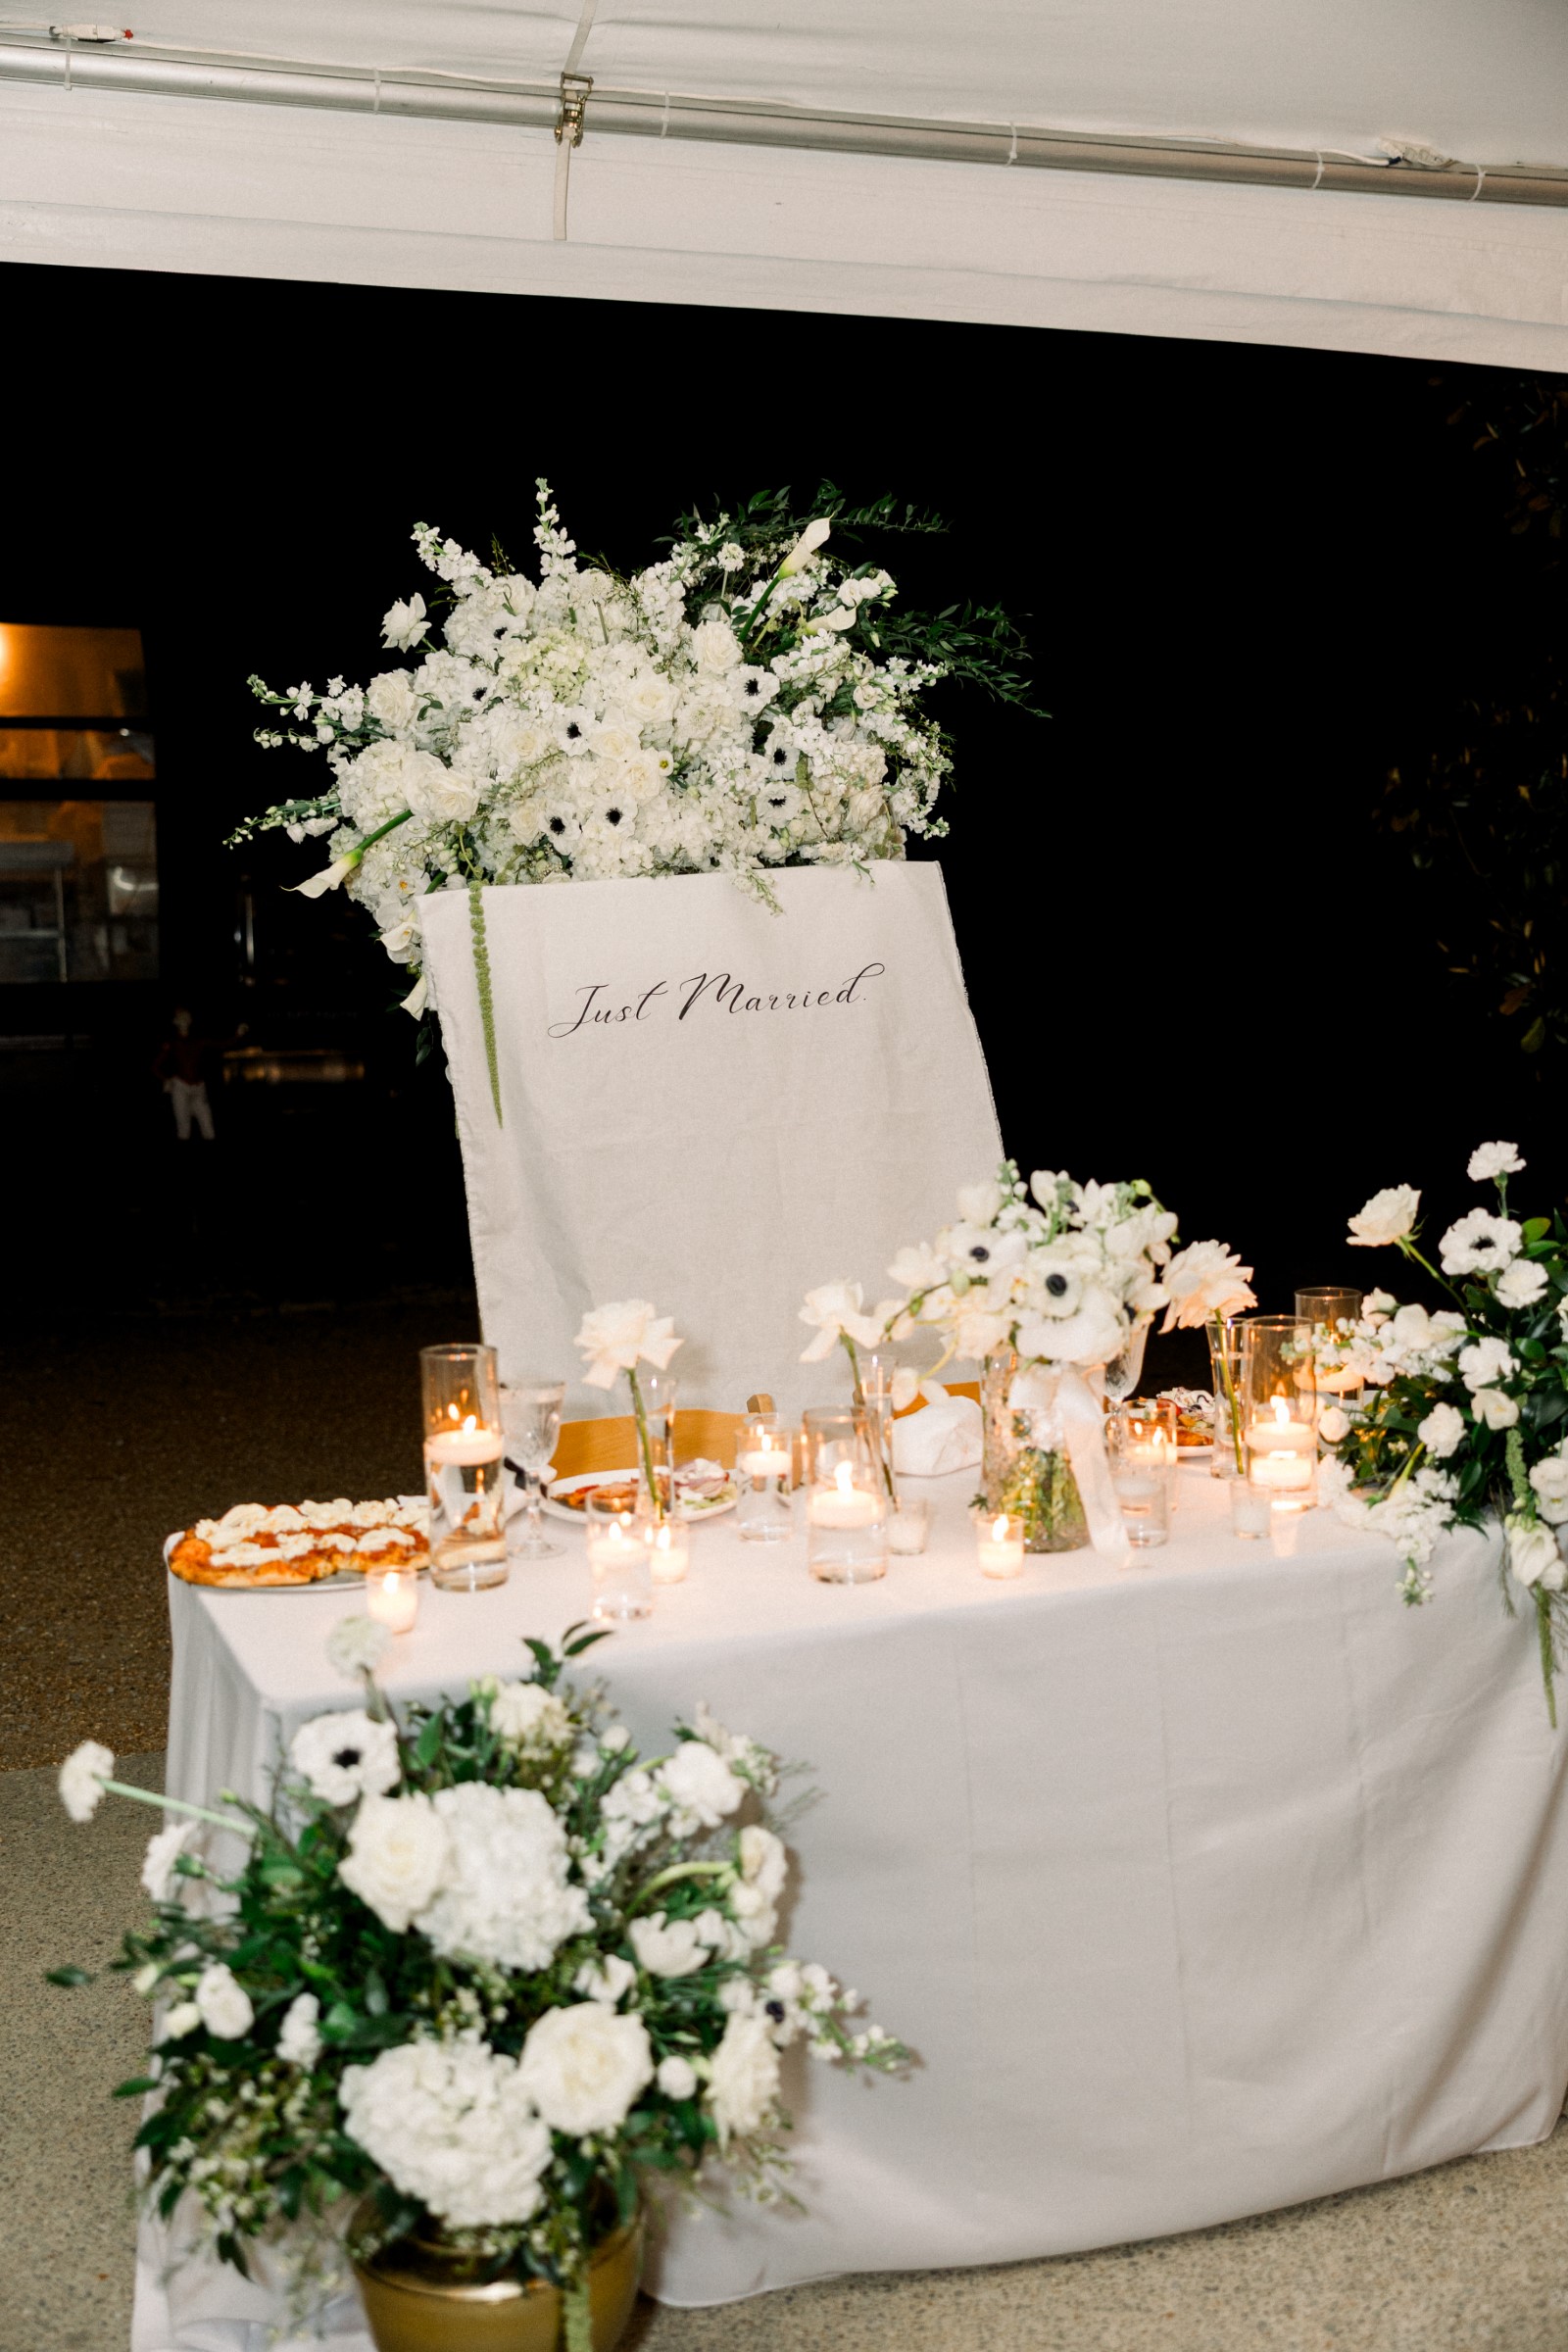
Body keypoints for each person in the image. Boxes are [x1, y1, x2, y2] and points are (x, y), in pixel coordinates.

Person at [154, 1006, 220, 1142]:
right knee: (184, 1130)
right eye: (180, 1019)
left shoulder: (198, 1041)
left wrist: (238, 1035)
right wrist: (167, 1080)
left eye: (186, 1018)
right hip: (180, 1087)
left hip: (198, 1087)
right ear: (176, 1023)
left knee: (208, 1128)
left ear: (190, 1021)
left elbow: (221, 1044)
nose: (183, 1022)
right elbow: (155, 1066)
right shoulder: (172, 1043)